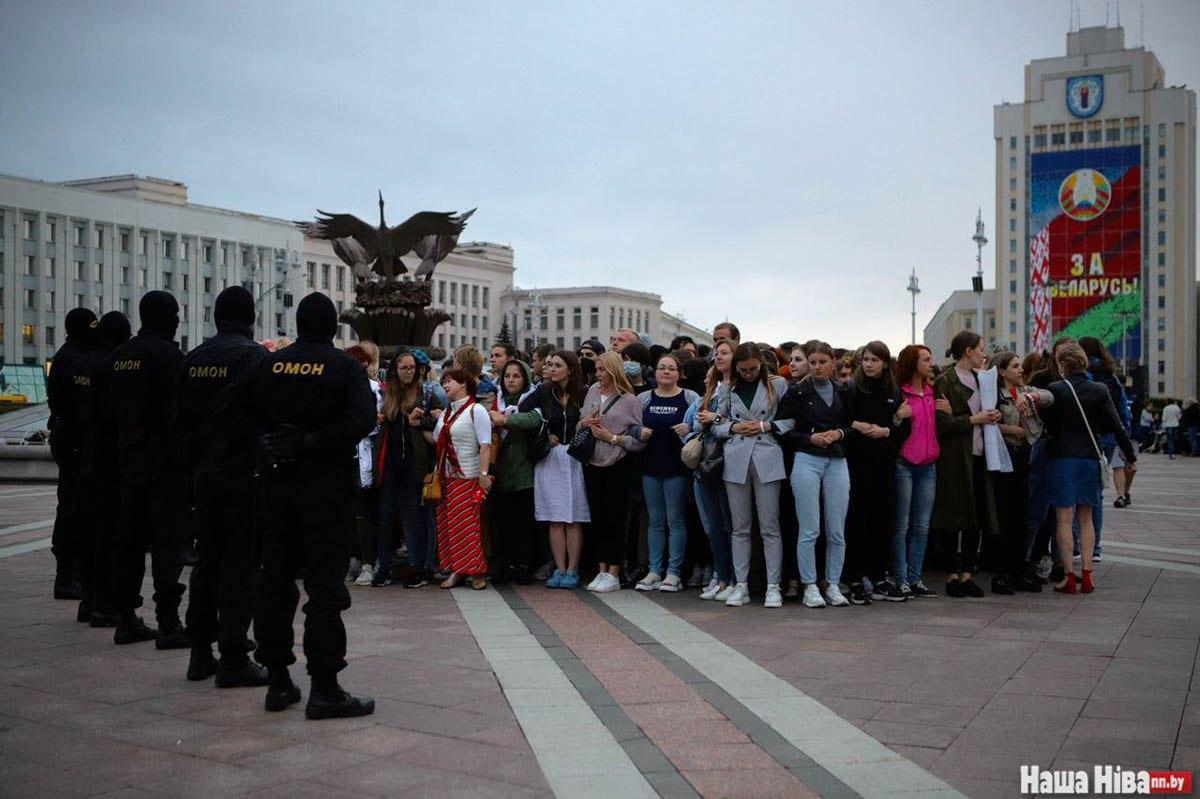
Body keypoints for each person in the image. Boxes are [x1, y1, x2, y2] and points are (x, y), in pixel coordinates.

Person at [228, 292, 376, 719]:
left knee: (274, 583)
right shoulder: (344, 369)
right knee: (324, 591)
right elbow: (363, 420)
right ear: (333, 328)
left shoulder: (266, 365)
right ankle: (324, 686)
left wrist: (271, 443)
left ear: (298, 324)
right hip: (325, 493)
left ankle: (277, 680)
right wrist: (313, 440)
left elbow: (238, 416)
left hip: (274, 490)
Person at [178, 286, 270, 686]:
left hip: (204, 474)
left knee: (206, 563)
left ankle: (200, 652)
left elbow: (178, 420)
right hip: (242, 474)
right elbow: (268, 416)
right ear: (250, 318)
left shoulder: (194, 358)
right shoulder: (253, 357)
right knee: (240, 566)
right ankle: (233, 654)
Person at [105, 290, 190, 647]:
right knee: (167, 545)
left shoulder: (119, 356)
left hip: (125, 463)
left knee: (129, 543)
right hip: (164, 463)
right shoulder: (171, 357)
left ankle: (125, 617)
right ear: (164, 318)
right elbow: (183, 412)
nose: (177, 321)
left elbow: (106, 410)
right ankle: (168, 621)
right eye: (174, 315)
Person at [1041, 342, 1137, 594]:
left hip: (1062, 459)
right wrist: (1130, 455)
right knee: (1086, 518)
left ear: (1062, 365)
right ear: (1084, 362)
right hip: (1089, 459)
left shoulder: (1055, 389)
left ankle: (1069, 577)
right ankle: (1087, 572)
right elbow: (1117, 426)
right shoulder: (1099, 389)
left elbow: (1047, 428)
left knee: (1063, 518)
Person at [778, 341, 854, 609]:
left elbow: (851, 424)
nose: (818, 367)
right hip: (806, 459)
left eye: (823, 362)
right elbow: (783, 430)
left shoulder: (843, 390)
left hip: (837, 460)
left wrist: (839, 433)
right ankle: (810, 585)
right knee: (809, 528)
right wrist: (810, 438)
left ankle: (832, 583)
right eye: (814, 362)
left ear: (833, 363)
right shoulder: (797, 391)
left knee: (836, 530)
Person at [714, 344, 792, 608]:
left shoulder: (777, 385)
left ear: (761, 364)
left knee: (770, 526)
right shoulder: (726, 388)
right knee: (740, 527)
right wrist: (734, 427)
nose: (748, 374)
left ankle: (773, 586)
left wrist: (765, 425)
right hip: (736, 456)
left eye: (753, 369)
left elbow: (792, 420)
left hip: (767, 454)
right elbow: (717, 424)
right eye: (743, 370)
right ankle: (741, 584)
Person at [931, 331, 1000, 598]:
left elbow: (988, 412)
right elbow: (942, 423)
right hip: (954, 458)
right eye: (981, 349)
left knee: (977, 516)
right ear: (968, 351)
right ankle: (951, 575)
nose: (984, 354)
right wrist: (973, 419)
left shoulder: (985, 380)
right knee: (953, 516)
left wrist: (989, 415)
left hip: (982, 454)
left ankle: (968, 574)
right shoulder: (945, 381)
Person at [74, 311, 131, 628]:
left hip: (88, 457)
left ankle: (89, 601)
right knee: (110, 536)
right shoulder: (113, 366)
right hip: (110, 461)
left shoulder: (84, 364)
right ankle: (105, 605)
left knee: (89, 533)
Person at [514, 351, 589, 587]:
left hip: (575, 457)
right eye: (550, 365)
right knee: (555, 517)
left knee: (573, 517)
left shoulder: (584, 393)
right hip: (551, 458)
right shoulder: (544, 392)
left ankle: (573, 570)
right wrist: (544, 434)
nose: (552, 369)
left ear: (571, 369)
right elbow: (523, 409)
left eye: (558, 365)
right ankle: (560, 568)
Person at [844, 341, 909, 604]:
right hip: (857, 464)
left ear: (885, 363)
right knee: (857, 522)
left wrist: (888, 431)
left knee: (883, 521)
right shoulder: (851, 389)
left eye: (874, 360)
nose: (869, 364)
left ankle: (879, 577)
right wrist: (858, 425)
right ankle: (855, 578)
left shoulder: (894, 391)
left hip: (884, 464)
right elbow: (842, 420)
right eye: (865, 360)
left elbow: (905, 428)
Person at [374, 351, 442, 588]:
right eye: (404, 368)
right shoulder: (386, 393)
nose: (409, 372)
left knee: (413, 518)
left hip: (415, 465)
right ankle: (382, 567)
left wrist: (421, 419)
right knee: (385, 518)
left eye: (412, 368)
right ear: (395, 369)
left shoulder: (426, 393)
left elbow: (440, 422)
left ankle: (418, 567)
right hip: (390, 465)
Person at [579, 351, 645, 592]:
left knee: (616, 518)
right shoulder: (592, 392)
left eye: (602, 369)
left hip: (618, 463)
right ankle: (602, 568)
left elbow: (639, 438)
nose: (598, 374)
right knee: (598, 516)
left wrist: (613, 438)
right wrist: (585, 422)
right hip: (593, 462)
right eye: (596, 369)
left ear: (614, 370)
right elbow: (580, 421)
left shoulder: (629, 400)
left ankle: (615, 571)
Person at [634, 353, 699, 592]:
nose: (666, 372)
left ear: (679, 373)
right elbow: (631, 424)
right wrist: (638, 431)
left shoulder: (690, 396)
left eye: (671, 368)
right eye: (662, 368)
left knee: (676, 520)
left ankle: (673, 573)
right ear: (655, 372)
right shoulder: (643, 398)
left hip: (677, 468)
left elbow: (702, 422)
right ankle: (654, 570)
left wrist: (689, 426)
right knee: (655, 521)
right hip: (650, 467)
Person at [990, 351, 1053, 594]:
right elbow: (990, 422)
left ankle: (1019, 569)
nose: (1020, 370)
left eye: (1020, 365)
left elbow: (1050, 397)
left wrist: (1033, 396)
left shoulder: (1026, 390)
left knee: (1024, 516)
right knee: (1007, 516)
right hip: (1007, 455)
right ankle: (1004, 572)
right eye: (1015, 366)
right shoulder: (996, 395)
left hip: (1028, 456)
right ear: (1002, 371)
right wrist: (1011, 430)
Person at [424, 368, 493, 590]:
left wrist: (483, 475)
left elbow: (485, 445)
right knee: (449, 526)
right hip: (446, 477)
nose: (445, 385)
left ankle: (477, 571)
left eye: (449, 381)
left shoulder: (476, 410)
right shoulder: (446, 412)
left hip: (468, 476)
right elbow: (436, 438)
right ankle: (458, 569)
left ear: (463, 383)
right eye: (443, 381)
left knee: (468, 526)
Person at [46, 307, 97, 601]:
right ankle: (66, 573)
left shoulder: (72, 355)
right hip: (74, 442)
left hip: (72, 440)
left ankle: (71, 570)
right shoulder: (73, 360)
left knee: (73, 504)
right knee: (71, 506)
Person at [893, 345, 942, 598]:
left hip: (928, 464)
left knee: (922, 526)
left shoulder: (932, 393)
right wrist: (898, 417)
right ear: (913, 363)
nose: (930, 363)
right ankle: (901, 578)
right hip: (905, 463)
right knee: (902, 525)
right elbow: (890, 425)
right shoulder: (901, 393)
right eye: (926, 359)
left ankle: (915, 577)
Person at [689, 340, 736, 600]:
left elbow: (738, 423)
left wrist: (714, 419)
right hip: (706, 461)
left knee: (730, 525)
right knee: (713, 526)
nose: (719, 357)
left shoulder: (737, 387)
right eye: (716, 353)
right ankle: (722, 577)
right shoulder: (713, 389)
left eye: (725, 353)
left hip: (727, 461)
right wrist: (701, 422)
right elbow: (698, 424)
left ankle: (732, 579)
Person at [487, 359, 539, 584]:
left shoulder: (532, 399)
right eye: (507, 376)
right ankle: (503, 563)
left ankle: (524, 564)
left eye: (516, 376)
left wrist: (504, 420)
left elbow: (533, 419)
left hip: (523, 471)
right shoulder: (494, 401)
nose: (511, 380)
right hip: (498, 472)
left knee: (523, 523)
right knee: (501, 522)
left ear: (525, 378)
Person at [344, 345, 383, 586]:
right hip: (345, 454)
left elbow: (375, 423)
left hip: (364, 455)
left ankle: (369, 561)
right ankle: (355, 558)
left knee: (363, 513)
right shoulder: (340, 388)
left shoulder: (374, 390)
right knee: (348, 512)